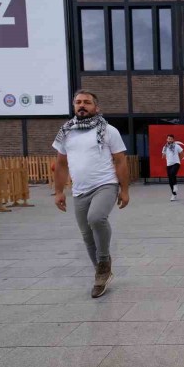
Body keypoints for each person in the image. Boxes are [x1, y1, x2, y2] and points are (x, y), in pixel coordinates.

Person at [53, 90, 129, 299]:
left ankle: (104, 262)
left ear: (96, 107)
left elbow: (120, 161)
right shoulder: (65, 132)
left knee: (96, 218)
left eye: (87, 102)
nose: (82, 105)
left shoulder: (108, 130)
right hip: (79, 191)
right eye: (78, 102)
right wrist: (58, 191)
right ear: (74, 106)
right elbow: (61, 164)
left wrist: (124, 190)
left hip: (105, 185)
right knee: (87, 234)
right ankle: (101, 274)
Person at [162, 134, 184, 201]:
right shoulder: (165, 147)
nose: (170, 140)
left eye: (171, 139)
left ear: (173, 140)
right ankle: (174, 194)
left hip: (176, 163)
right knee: (170, 180)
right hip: (168, 164)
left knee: (172, 173)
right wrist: (164, 151)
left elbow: (182, 155)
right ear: (167, 139)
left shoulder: (177, 146)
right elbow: (163, 156)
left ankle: (175, 185)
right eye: (168, 139)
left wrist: (178, 161)